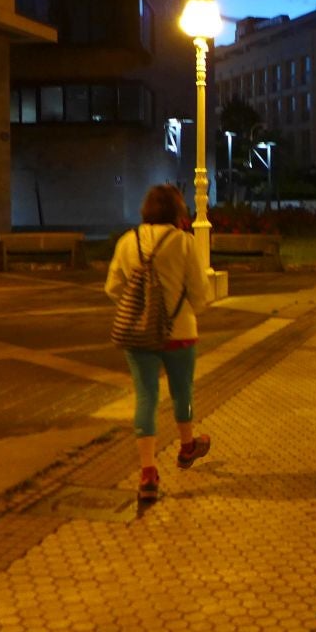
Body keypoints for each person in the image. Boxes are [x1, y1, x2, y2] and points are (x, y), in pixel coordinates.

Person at [105, 184, 216, 501]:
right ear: (177, 212)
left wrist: (139, 309)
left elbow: (113, 287)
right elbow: (199, 292)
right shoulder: (183, 242)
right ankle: (186, 446)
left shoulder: (129, 241)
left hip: (139, 335)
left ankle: (148, 472)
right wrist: (190, 307)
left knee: (146, 398)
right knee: (183, 392)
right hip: (179, 333)